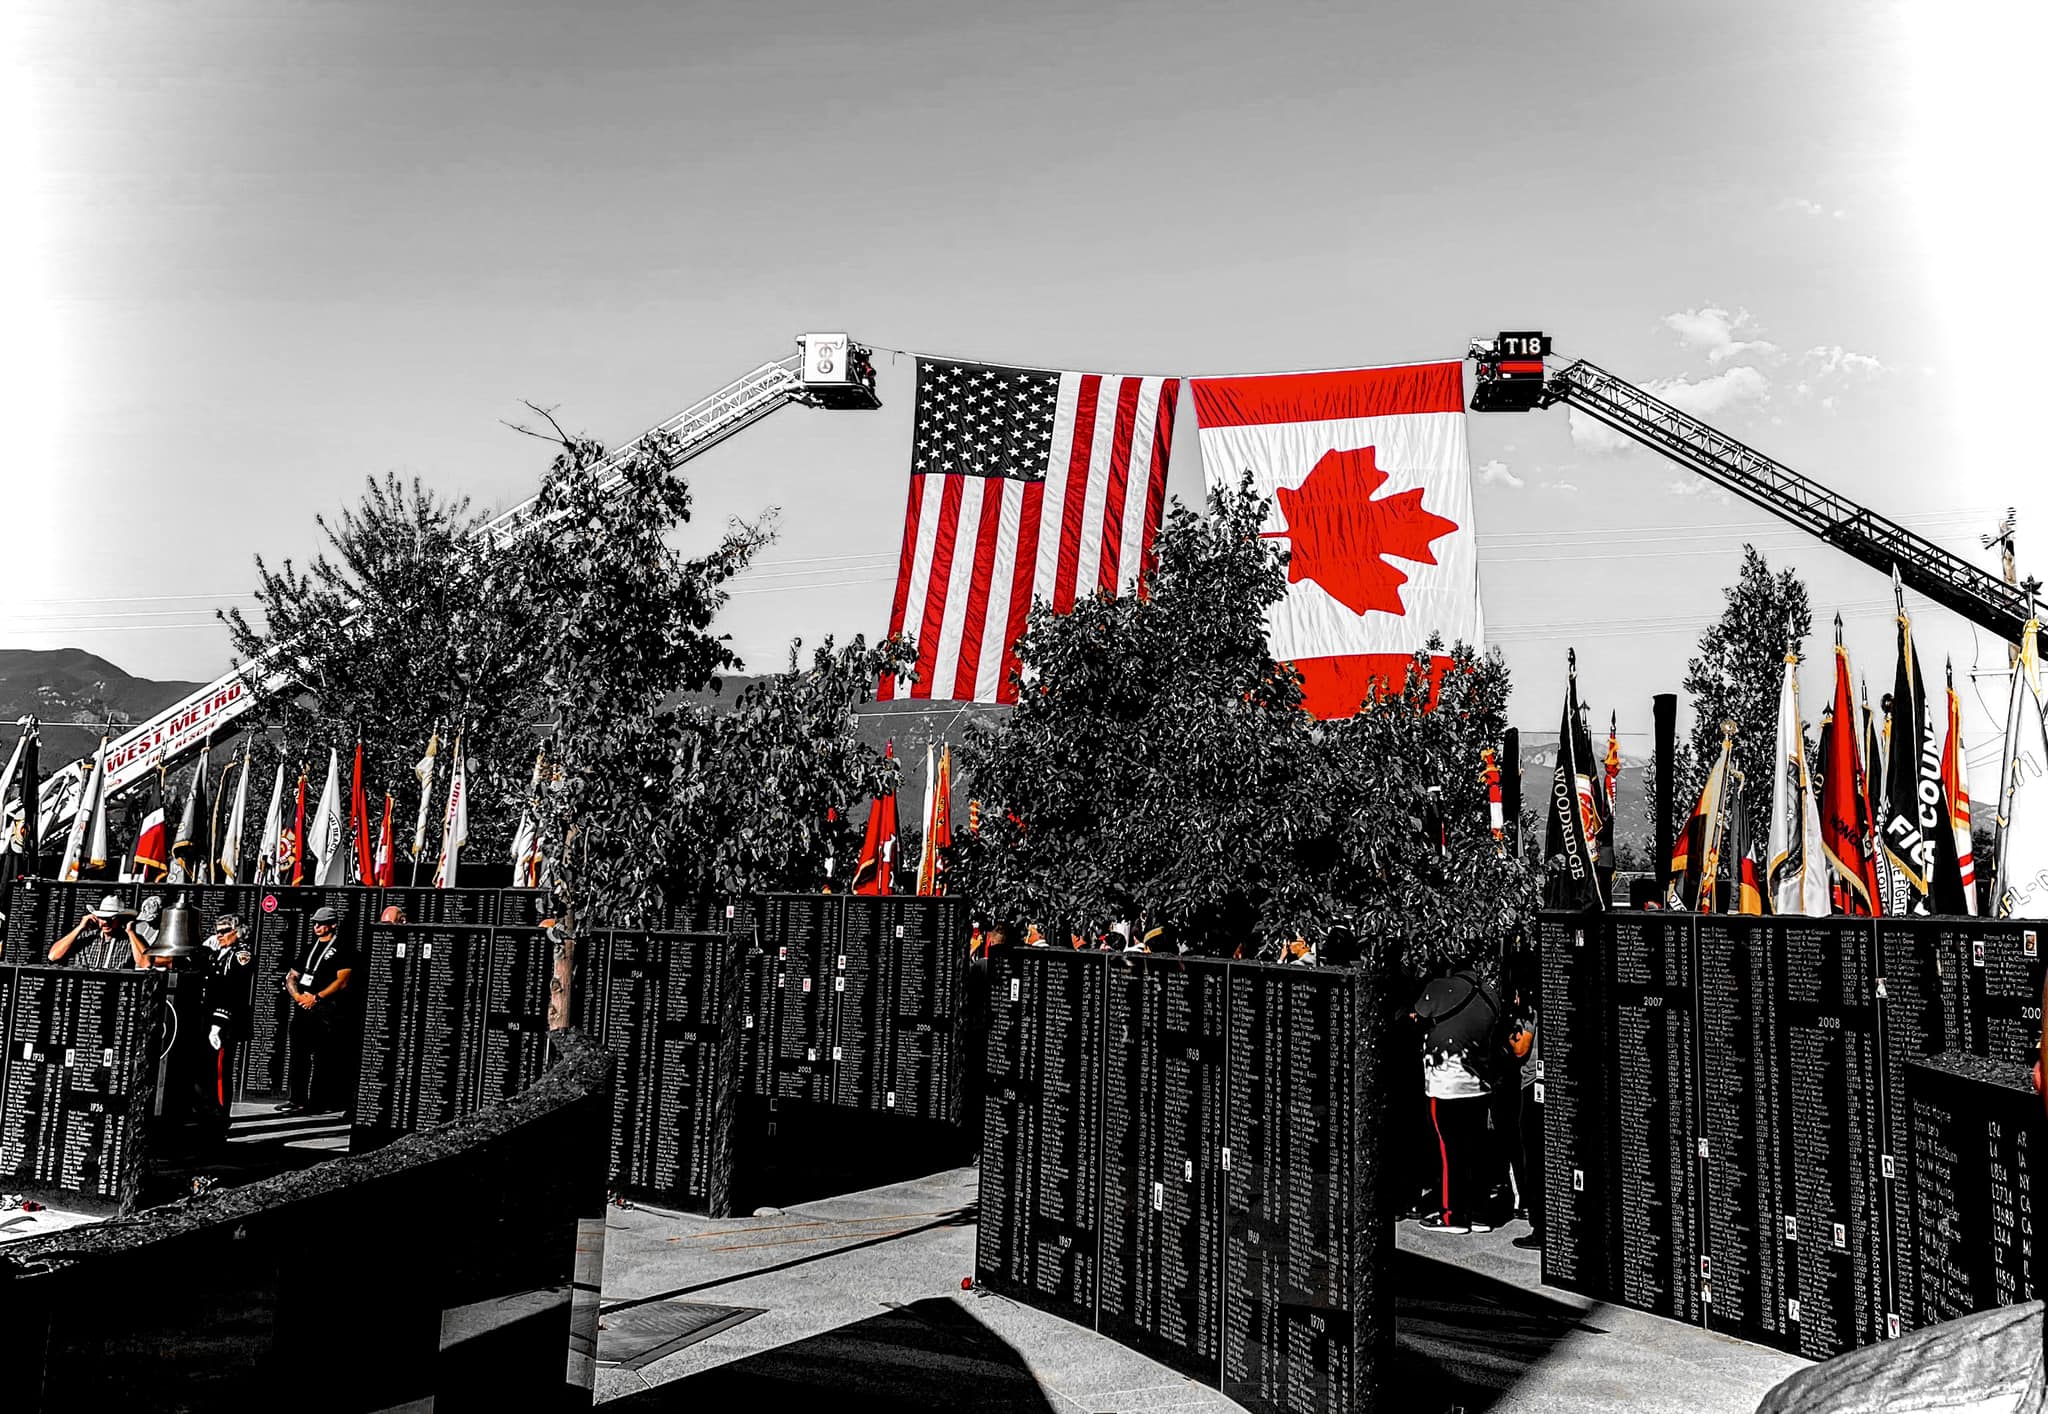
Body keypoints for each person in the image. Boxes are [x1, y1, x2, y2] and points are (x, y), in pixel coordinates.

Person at [1413, 963, 1506, 1235]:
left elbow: (1418, 1015)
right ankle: (1480, 1213)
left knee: (1449, 1152)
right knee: (1476, 1150)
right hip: (1478, 1084)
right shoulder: (1490, 994)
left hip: (1446, 1083)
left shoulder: (1439, 988)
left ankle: (1452, 1215)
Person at [278, 905, 354, 1117]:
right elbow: (292, 976)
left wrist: (317, 997)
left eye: (322, 923)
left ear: (333, 925)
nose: (317, 927)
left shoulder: (344, 948)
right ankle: (296, 1099)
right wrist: (298, 996)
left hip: (326, 1011)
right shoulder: (308, 948)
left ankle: (318, 1101)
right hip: (303, 1009)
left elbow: (342, 980)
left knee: (322, 1059)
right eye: (315, 923)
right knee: (298, 1056)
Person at [197, 913, 255, 1134]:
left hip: (224, 1024)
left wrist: (218, 1025)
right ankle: (208, 1116)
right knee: (206, 1072)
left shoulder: (241, 956)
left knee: (220, 1073)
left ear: (238, 932)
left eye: (224, 931)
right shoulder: (219, 953)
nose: (219, 935)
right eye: (217, 931)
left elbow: (233, 991)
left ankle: (220, 1119)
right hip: (208, 1018)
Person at [48, 894, 142, 969]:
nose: (105, 922)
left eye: (111, 918)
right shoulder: (86, 937)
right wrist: (80, 928)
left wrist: (130, 932)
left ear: (121, 919)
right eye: (102, 917)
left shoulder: (130, 941)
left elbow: (145, 964)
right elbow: (53, 956)